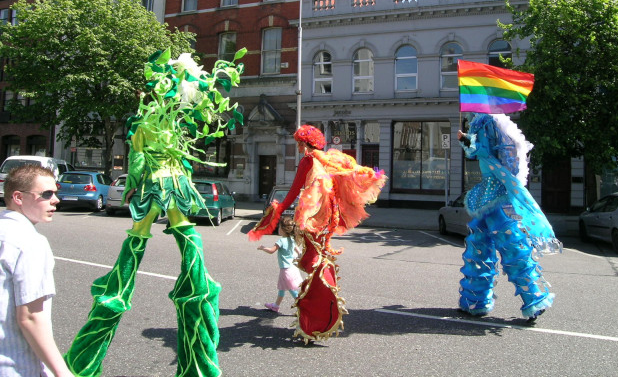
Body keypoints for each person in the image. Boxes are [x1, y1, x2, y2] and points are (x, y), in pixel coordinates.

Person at [64, 48, 244, 377]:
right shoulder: (176, 121)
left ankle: (87, 356)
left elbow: (136, 159)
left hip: (153, 187)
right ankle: (198, 352)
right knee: (188, 245)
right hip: (178, 186)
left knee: (134, 246)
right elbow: (185, 151)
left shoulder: (146, 121)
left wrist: (132, 184)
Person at [249, 125, 387, 343]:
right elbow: (350, 171)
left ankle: (314, 317)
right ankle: (320, 311)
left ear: (305, 143)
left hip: (313, 217)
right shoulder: (329, 159)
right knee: (319, 259)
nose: (297, 146)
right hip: (328, 218)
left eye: (298, 143)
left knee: (314, 260)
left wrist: (278, 209)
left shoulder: (308, 161)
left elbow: (294, 190)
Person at [457, 113, 562, 322]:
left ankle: (533, 298)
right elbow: (477, 151)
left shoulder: (487, 122)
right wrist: (466, 140)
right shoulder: (492, 121)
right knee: (479, 245)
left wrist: (465, 138)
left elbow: (481, 150)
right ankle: (475, 301)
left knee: (510, 244)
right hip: (492, 190)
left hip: (494, 191)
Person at [0, 164, 74, 377]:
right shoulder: (30, 242)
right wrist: (62, 372)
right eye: (47, 194)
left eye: (56, 192)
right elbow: (30, 317)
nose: (56, 200)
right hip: (17, 365)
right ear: (18, 197)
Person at [257, 216, 303, 313]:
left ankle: (302, 307)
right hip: (292, 268)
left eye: (279, 227)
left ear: (283, 229)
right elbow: (297, 250)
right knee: (282, 288)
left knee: (291, 290)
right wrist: (299, 254)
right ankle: (276, 306)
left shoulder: (281, 241)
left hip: (286, 270)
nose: (278, 229)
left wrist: (263, 248)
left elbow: (271, 251)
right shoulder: (291, 239)